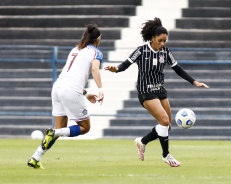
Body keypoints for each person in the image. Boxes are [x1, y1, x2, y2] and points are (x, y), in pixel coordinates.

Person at [105, 17, 209, 167]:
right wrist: (115, 69)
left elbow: (178, 69)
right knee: (164, 121)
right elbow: (124, 65)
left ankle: (142, 141)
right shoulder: (141, 51)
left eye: (164, 41)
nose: (162, 44)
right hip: (145, 90)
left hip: (160, 90)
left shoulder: (165, 52)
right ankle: (166, 155)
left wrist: (195, 82)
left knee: (167, 125)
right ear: (153, 38)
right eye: (160, 40)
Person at [27, 23, 104, 169]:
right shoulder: (96, 52)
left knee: (60, 128)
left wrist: (87, 93)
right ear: (98, 40)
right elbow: (95, 69)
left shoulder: (76, 49)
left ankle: (35, 158)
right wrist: (101, 89)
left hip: (57, 87)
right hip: (71, 90)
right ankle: (54, 132)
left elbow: (71, 77)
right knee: (84, 127)